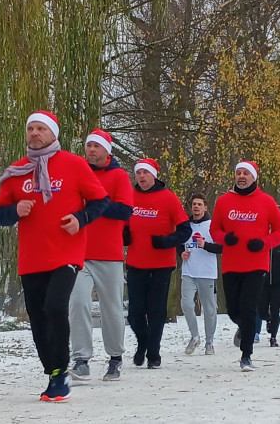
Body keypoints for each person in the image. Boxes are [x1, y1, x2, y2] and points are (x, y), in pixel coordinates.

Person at [0, 110, 110, 402]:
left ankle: (60, 374)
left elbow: (101, 201)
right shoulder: (16, 171)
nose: (34, 133)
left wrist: (80, 219)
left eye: (41, 128)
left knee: (56, 307)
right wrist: (14, 211)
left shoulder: (74, 165)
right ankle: (54, 372)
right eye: (30, 128)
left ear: (53, 134)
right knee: (39, 317)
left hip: (66, 253)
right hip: (31, 257)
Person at [209, 160, 280, 372]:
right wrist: (226, 239)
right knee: (234, 310)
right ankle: (244, 327)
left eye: (246, 173)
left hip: (256, 264)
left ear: (254, 177)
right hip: (231, 264)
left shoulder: (266, 201)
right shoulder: (224, 201)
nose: (241, 176)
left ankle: (246, 355)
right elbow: (214, 230)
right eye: (238, 173)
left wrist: (264, 243)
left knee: (249, 306)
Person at [68, 129, 133, 382]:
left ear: (108, 150)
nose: (91, 150)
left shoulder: (118, 176)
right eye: (89, 146)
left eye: (97, 146)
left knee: (112, 309)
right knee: (78, 303)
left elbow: (125, 211)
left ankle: (115, 357)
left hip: (109, 255)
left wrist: (97, 203)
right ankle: (82, 359)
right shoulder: (78, 173)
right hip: (79, 252)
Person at [124, 158, 191, 370]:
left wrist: (166, 241)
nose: (142, 176)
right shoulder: (129, 197)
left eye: (145, 172)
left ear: (154, 175)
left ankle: (153, 352)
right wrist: (123, 235)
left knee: (156, 310)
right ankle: (143, 342)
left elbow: (185, 230)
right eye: (138, 173)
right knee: (135, 312)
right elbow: (121, 225)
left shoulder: (168, 198)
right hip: (135, 262)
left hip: (161, 264)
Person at [179, 193, 220, 356]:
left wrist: (206, 245)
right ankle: (195, 336)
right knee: (186, 304)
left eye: (199, 204)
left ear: (205, 207)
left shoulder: (212, 226)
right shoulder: (185, 225)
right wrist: (181, 253)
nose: (196, 207)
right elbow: (179, 243)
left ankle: (209, 342)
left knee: (209, 308)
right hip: (188, 272)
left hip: (207, 273)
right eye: (194, 204)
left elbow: (222, 248)